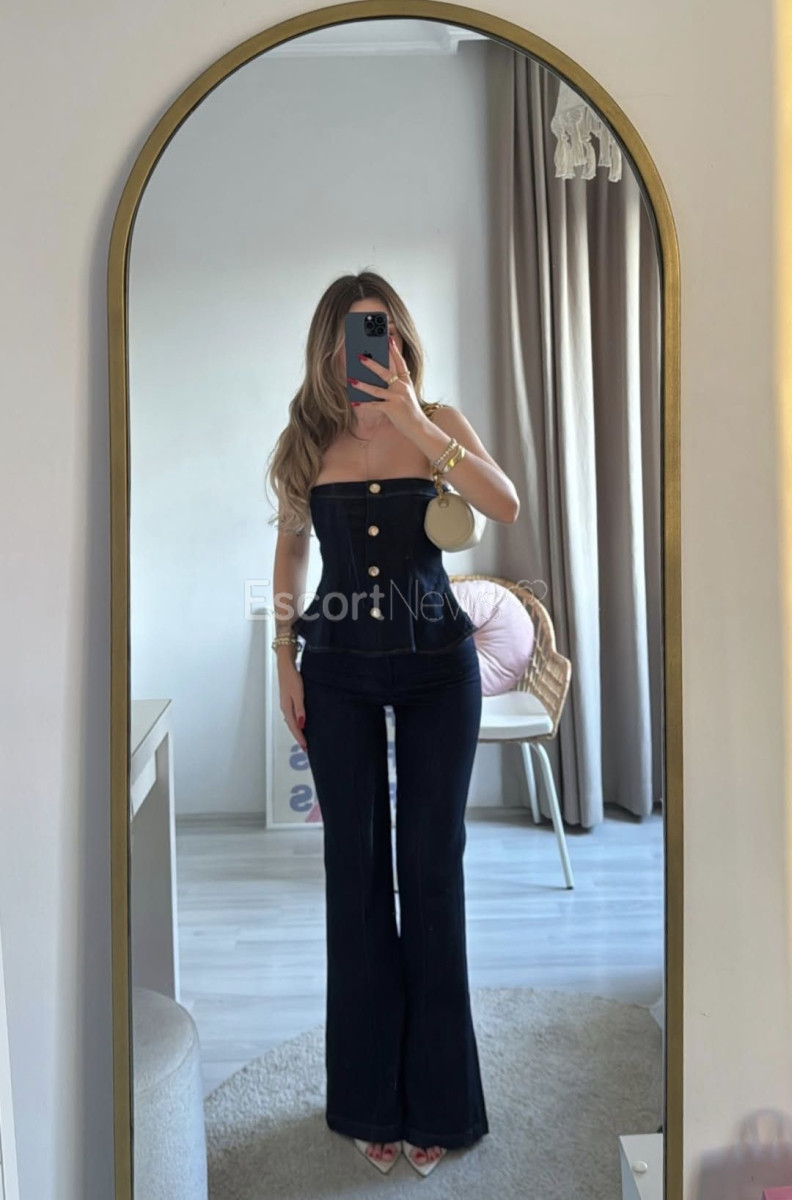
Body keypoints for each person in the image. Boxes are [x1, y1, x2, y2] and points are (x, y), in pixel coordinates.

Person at [267, 271, 520, 1176]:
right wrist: (283, 659)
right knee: (357, 874)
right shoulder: (308, 440)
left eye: (384, 331)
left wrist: (416, 423)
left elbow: (504, 504)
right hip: (335, 671)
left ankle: (441, 1104)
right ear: (329, 349)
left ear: (403, 340)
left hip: (437, 670)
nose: (371, 349)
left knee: (431, 871)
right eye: (354, 335)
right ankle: (368, 1097)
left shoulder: (438, 421)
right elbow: (291, 549)